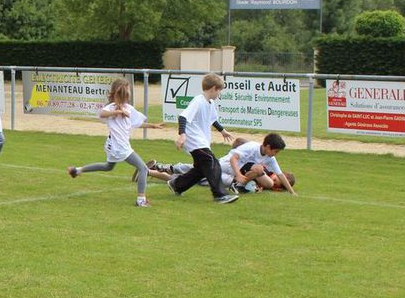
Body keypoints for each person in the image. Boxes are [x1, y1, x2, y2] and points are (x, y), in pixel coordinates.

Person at [67, 78, 163, 207]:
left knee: (108, 166)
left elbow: (137, 123)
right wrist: (117, 111)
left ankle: (77, 170)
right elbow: (101, 114)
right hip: (119, 147)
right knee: (143, 168)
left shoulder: (129, 108)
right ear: (120, 93)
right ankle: (141, 200)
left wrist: (153, 126)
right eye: (126, 90)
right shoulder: (111, 108)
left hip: (115, 145)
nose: (128, 93)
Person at [166, 73, 239, 204]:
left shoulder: (210, 103)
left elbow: (212, 119)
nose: (219, 94)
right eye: (219, 91)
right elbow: (183, 117)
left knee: (200, 170)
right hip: (195, 142)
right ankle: (220, 195)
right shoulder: (198, 101)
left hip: (202, 141)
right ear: (213, 88)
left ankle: (176, 184)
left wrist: (222, 130)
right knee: (212, 162)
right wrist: (182, 135)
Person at [148, 134, 297, 196]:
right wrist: (239, 175)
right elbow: (233, 159)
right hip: (223, 165)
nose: (275, 154)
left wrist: (291, 192)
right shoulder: (251, 147)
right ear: (268, 146)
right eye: (275, 151)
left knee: (195, 176)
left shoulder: (270, 158)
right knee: (196, 172)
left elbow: (280, 175)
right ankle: (161, 168)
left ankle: (154, 171)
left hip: (230, 173)